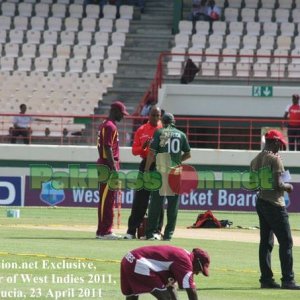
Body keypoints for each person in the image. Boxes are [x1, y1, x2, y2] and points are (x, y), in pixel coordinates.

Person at [250, 129, 300, 289]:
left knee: (265, 242)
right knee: (286, 242)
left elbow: (252, 184)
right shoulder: (275, 159)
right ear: (276, 142)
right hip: (275, 204)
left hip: (261, 201)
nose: (281, 148)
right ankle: (288, 280)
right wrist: (288, 187)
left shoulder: (256, 158)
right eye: (281, 144)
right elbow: (278, 184)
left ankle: (266, 279)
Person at [144, 113, 191, 241]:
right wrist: (177, 161)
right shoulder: (181, 135)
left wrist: (147, 170)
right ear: (174, 122)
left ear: (163, 122)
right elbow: (188, 154)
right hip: (175, 172)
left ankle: (150, 233)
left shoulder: (159, 133)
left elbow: (152, 153)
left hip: (161, 172)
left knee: (155, 204)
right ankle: (168, 234)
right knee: (173, 205)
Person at [124, 106, 163, 240]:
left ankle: (156, 231)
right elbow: (134, 151)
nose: (156, 118)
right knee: (140, 199)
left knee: (157, 200)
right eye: (153, 115)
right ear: (149, 115)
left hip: (159, 165)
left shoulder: (163, 129)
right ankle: (131, 231)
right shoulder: (141, 130)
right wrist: (143, 147)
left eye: (158, 115)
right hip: (145, 163)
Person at [120, 245, 210, 300]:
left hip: (128, 258)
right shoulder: (186, 262)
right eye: (200, 269)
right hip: (139, 262)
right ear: (197, 261)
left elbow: (171, 286)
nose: (197, 273)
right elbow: (191, 290)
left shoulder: (183, 255)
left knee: (132, 295)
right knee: (166, 298)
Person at [96, 101, 129, 240]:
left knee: (108, 200)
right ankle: (104, 231)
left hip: (106, 165)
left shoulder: (106, 124)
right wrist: (114, 168)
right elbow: (107, 148)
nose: (123, 116)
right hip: (107, 166)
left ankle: (104, 230)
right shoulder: (110, 126)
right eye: (121, 114)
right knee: (106, 200)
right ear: (115, 111)